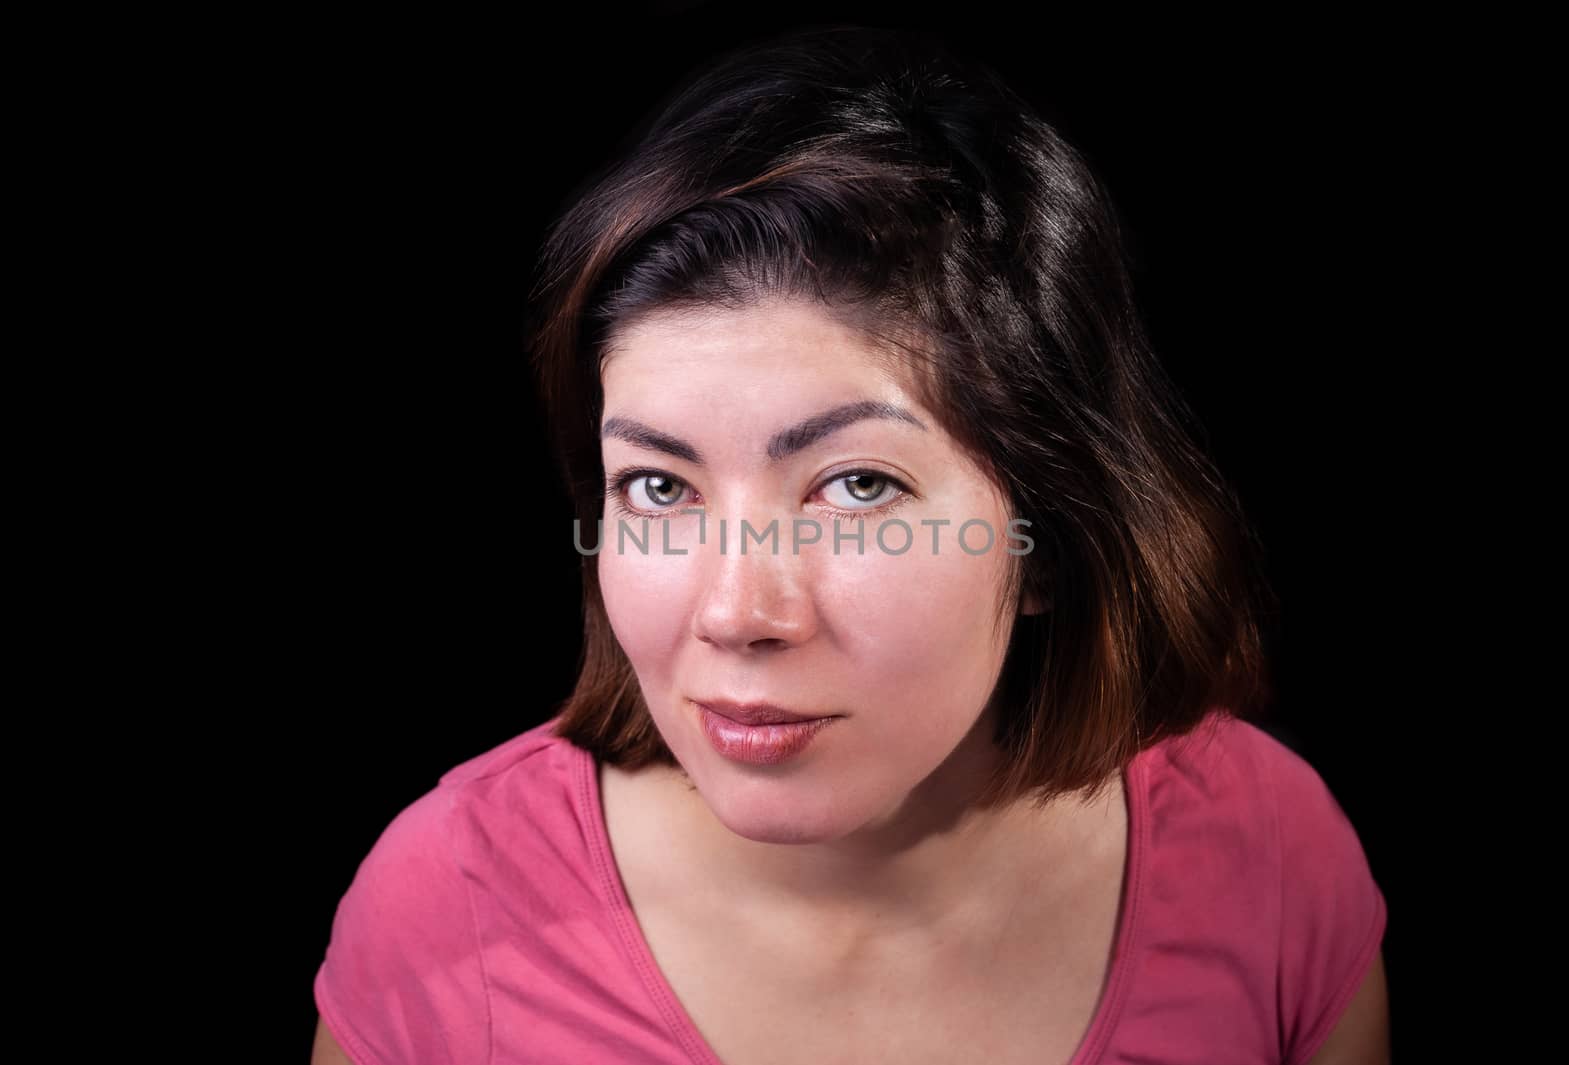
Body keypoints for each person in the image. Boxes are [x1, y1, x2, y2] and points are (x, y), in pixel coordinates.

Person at [310, 23, 1388, 1065]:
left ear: (1050, 541)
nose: (736, 612)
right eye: (657, 484)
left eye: (856, 485)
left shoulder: (1271, 857)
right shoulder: (443, 904)